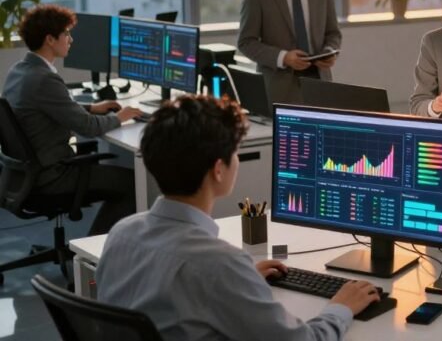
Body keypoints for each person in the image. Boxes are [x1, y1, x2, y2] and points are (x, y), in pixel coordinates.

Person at [96, 95, 380, 341]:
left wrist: (242, 282)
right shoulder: (219, 265)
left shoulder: (122, 233)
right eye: (235, 153)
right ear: (218, 170)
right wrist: (341, 307)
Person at [2, 5, 140, 235]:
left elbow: (51, 107)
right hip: (52, 178)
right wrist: (120, 117)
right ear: (50, 39)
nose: (71, 39)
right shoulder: (44, 79)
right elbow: (88, 127)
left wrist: (91, 107)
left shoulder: (20, 70)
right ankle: (95, 249)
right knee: (134, 184)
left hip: (23, 176)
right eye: (66, 33)